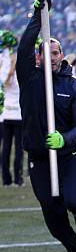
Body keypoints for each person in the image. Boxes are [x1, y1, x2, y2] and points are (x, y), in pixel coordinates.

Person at [16, 0, 76, 252]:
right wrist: (38, 18)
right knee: (55, 224)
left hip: (68, 157)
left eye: (55, 52)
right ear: (37, 57)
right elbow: (24, 45)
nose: (49, 57)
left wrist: (65, 139)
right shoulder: (29, 78)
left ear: (62, 55)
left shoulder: (74, 87)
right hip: (40, 161)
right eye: (44, 52)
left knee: (74, 201)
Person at [0, 47, 24, 186]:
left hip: (6, 116)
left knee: (6, 149)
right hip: (18, 116)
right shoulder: (20, 77)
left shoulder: (5, 77)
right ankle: (18, 179)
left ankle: (6, 180)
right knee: (19, 149)